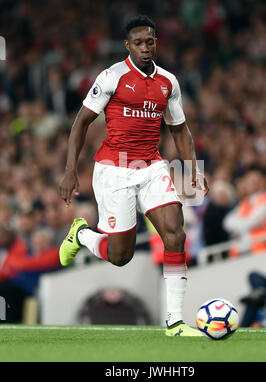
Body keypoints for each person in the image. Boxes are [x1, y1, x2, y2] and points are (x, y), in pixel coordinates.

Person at [58, 15, 209, 337]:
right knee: (120, 256)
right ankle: (82, 235)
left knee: (175, 235)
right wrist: (71, 170)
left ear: (156, 43)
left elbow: (180, 129)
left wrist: (193, 169)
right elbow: (80, 123)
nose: (145, 48)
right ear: (128, 46)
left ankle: (175, 322)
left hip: (151, 167)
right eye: (138, 43)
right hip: (114, 170)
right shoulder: (112, 77)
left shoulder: (168, 82)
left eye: (150, 42)